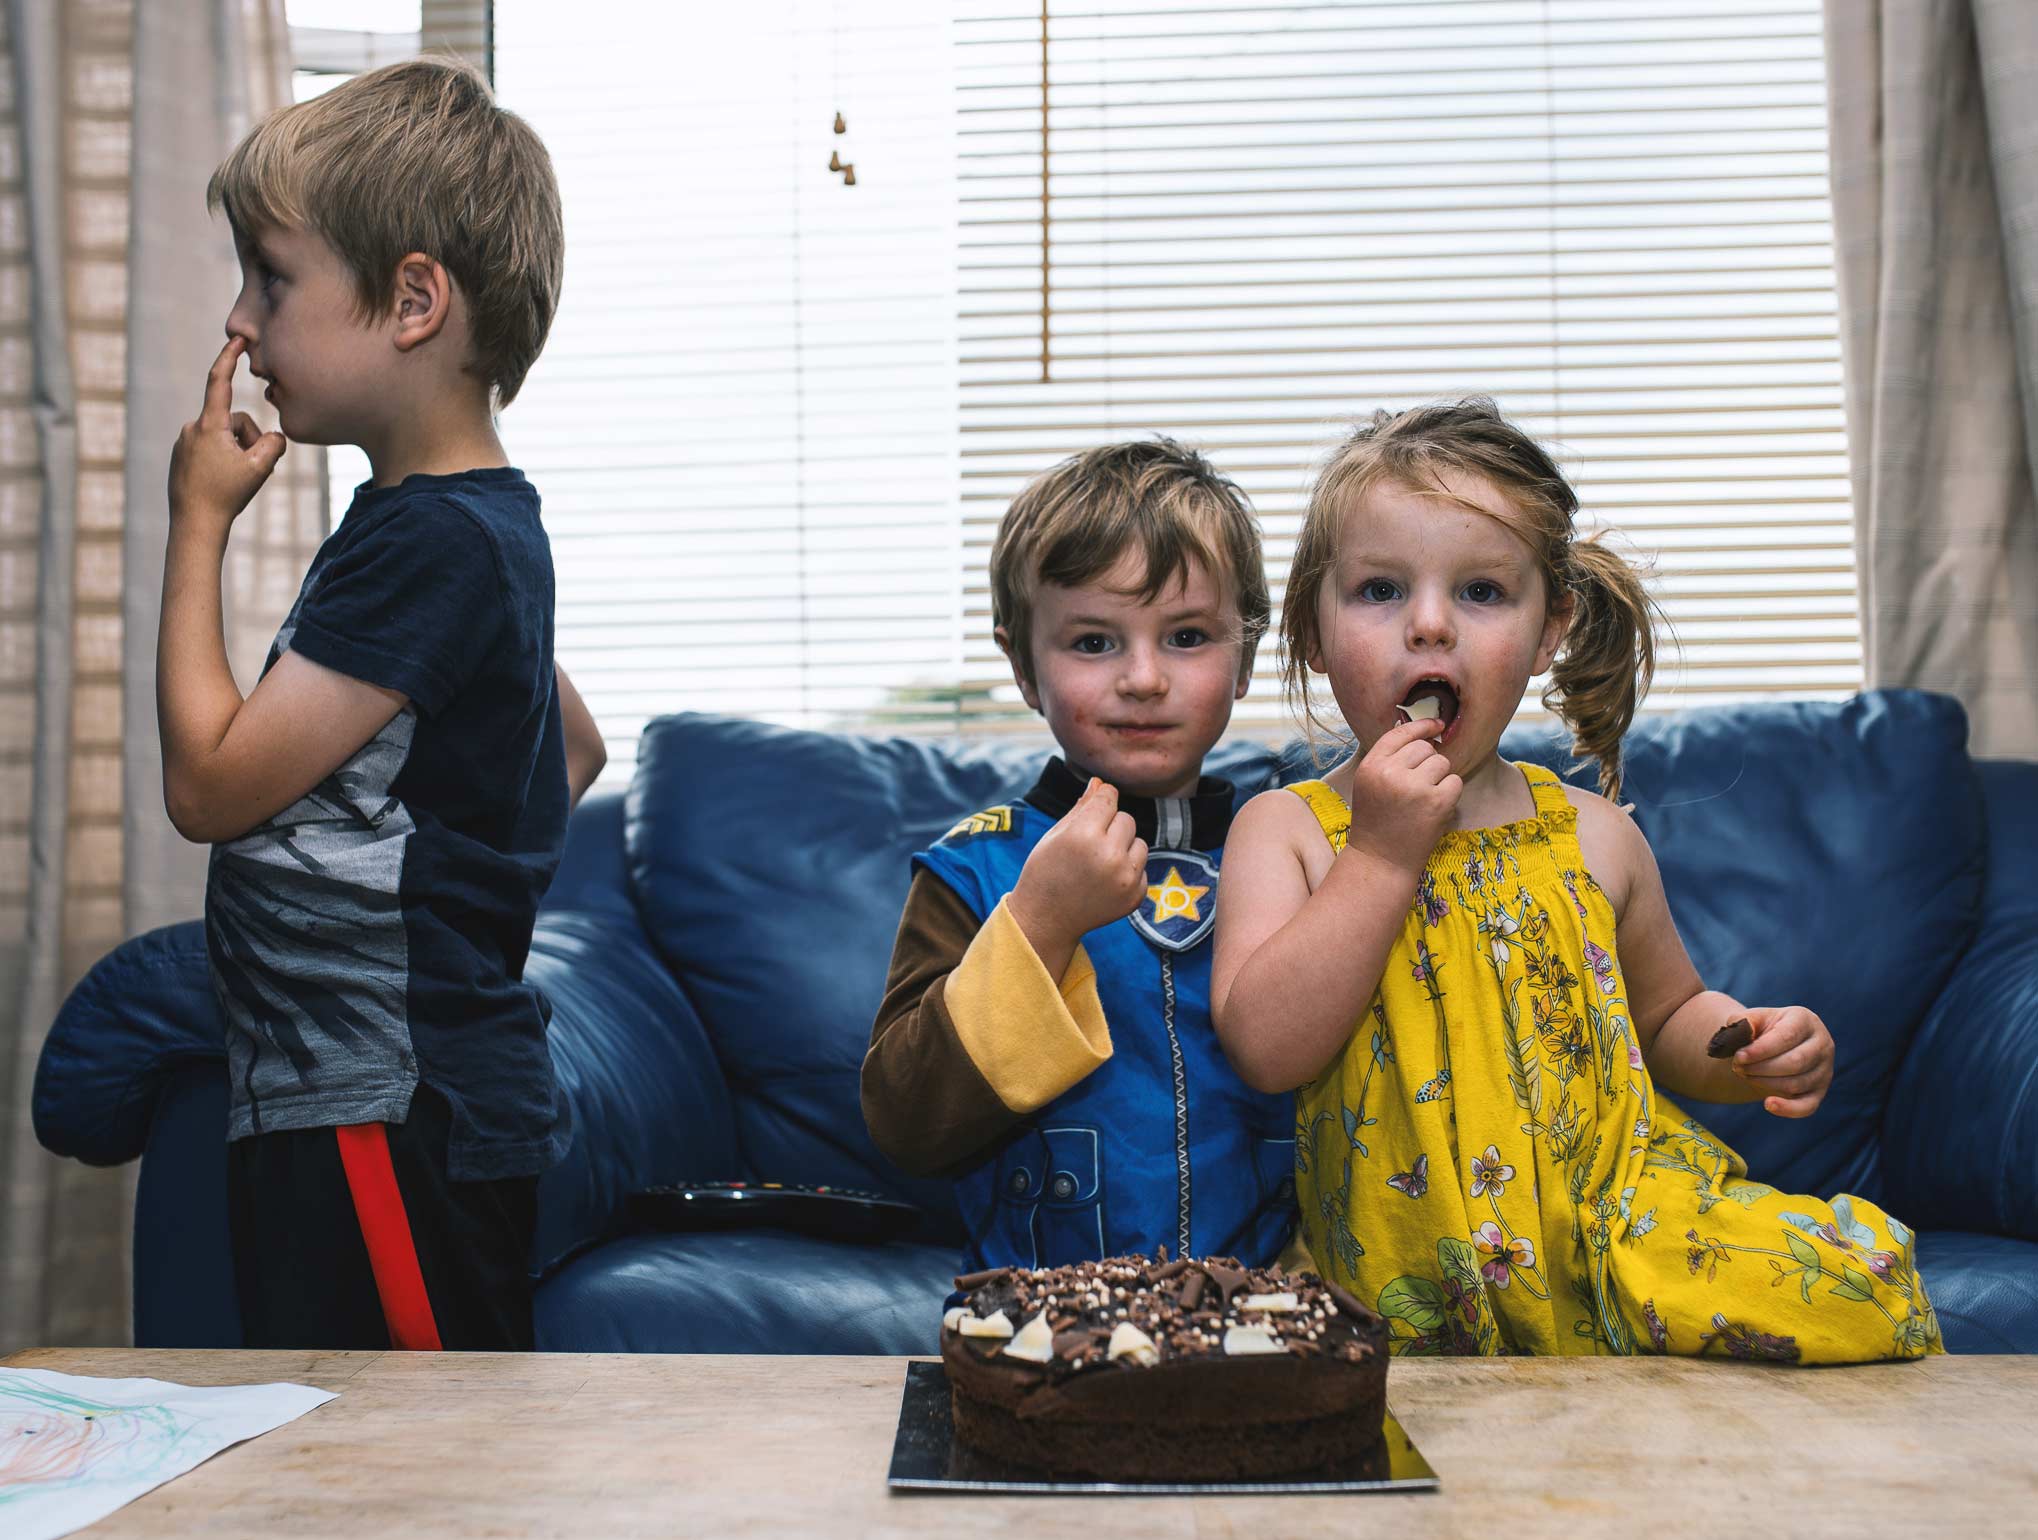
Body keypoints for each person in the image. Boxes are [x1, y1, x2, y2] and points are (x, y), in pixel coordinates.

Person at [1210, 398, 1940, 1361]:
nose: (1429, 627)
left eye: (1481, 592)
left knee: (1853, 1298)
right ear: (1312, 630)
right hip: (1403, 1267)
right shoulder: (1292, 831)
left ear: (1549, 630)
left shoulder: (1594, 836)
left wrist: (1744, 1044)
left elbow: (1670, 1014)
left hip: (1618, 1225)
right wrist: (1383, 854)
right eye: (1381, 590)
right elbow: (1265, 1047)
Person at [159, 58, 604, 1351]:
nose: (240, 324)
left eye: (274, 280)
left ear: (413, 301)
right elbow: (568, 744)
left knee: (393, 1466)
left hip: (377, 1099)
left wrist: (197, 524)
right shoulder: (470, 528)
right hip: (388, 1092)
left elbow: (207, 788)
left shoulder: (430, 542)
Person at [862, 440, 1299, 1275]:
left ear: (1243, 656)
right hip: (1039, 1329)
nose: (1142, 678)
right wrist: (1039, 922)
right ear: (1024, 665)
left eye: (1187, 637)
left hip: (1274, 1317)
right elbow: (906, 1123)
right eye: (1094, 642)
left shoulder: (1297, 848)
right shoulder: (974, 871)